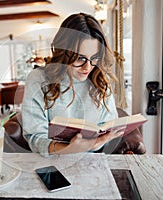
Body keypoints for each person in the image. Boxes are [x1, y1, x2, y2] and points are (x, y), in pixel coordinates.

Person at [21, 13, 123, 157]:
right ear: (64, 52)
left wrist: (100, 141)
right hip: (53, 161)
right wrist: (69, 148)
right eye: (80, 58)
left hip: (93, 159)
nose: (87, 67)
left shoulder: (99, 79)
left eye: (94, 58)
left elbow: (108, 126)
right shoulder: (38, 79)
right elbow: (35, 137)